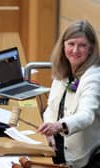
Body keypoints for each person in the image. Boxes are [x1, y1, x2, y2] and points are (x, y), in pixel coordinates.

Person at [37, 20, 100, 168]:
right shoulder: (63, 70)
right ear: (63, 45)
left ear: (91, 49)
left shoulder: (94, 78)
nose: (75, 50)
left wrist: (58, 126)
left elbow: (87, 115)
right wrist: (49, 132)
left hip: (82, 158)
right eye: (71, 44)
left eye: (82, 45)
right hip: (57, 147)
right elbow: (51, 108)